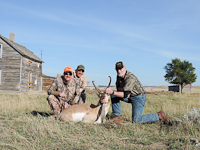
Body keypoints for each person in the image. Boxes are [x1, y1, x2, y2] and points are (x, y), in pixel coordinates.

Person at [105, 61, 170, 124]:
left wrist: (112, 92)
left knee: (136, 120)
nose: (119, 71)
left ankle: (158, 116)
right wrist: (106, 98)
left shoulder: (130, 77)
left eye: (120, 69)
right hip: (131, 96)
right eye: (117, 69)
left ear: (125, 68)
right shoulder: (119, 76)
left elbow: (125, 95)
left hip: (139, 97)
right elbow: (119, 91)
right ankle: (118, 116)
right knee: (114, 95)